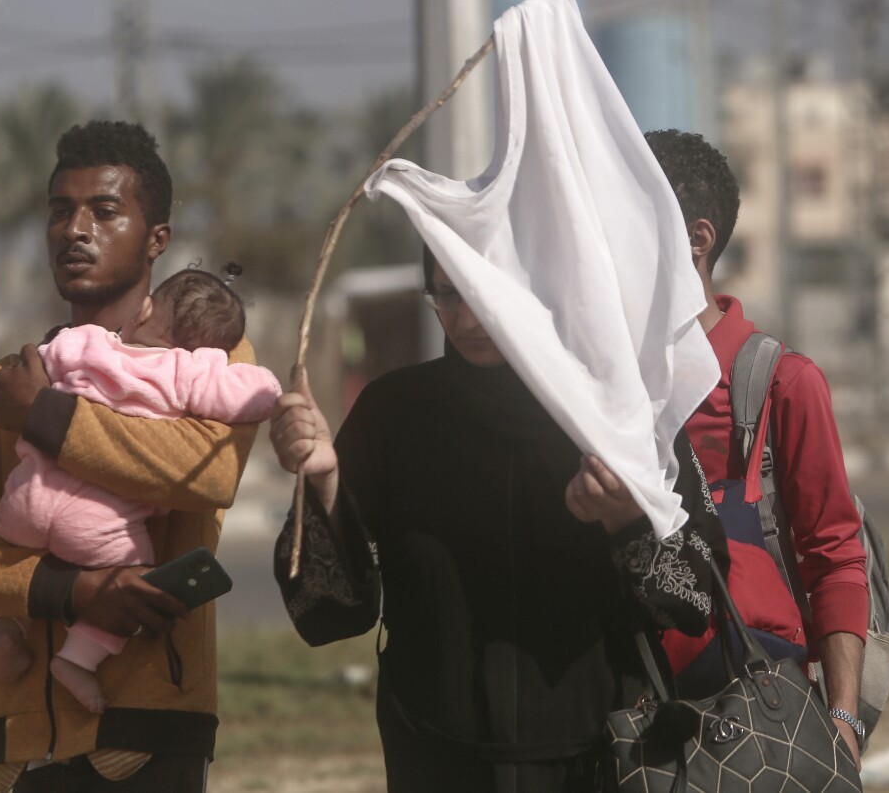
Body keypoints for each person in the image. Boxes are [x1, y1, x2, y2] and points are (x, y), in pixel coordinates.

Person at [268, 249, 728, 793]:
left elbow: (699, 600)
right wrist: (325, 487)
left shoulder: (622, 414)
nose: (465, 318)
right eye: (447, 294)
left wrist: (626, 522)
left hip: (599, 761)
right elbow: (331, 614)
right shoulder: (393, 415)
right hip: (436, 761)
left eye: (483, 295)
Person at [0, 120, 259, 792]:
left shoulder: (207, 357)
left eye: (104, 210)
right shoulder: (9, 380)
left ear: (158, 240)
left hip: (145, 735)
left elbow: (206, 471)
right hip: (23, 747)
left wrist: (48, 418)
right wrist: (67, 589)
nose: (74, 229)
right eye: (60, 211)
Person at [644, 128, 870, 766]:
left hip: (756, 724)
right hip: (632, 723)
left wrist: (844, 723)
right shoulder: (604, 387)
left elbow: (834, 555)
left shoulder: (781, 383)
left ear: (698, 240)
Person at [0, 265, 281, 716]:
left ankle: (5, 629)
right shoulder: (189, 371)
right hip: (99, 525)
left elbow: (44, 360)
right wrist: (264, 380)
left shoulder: (89, 342)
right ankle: (77, 660)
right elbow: (252, 395)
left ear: (144, 311)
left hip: (28, 496)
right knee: (136, 579)